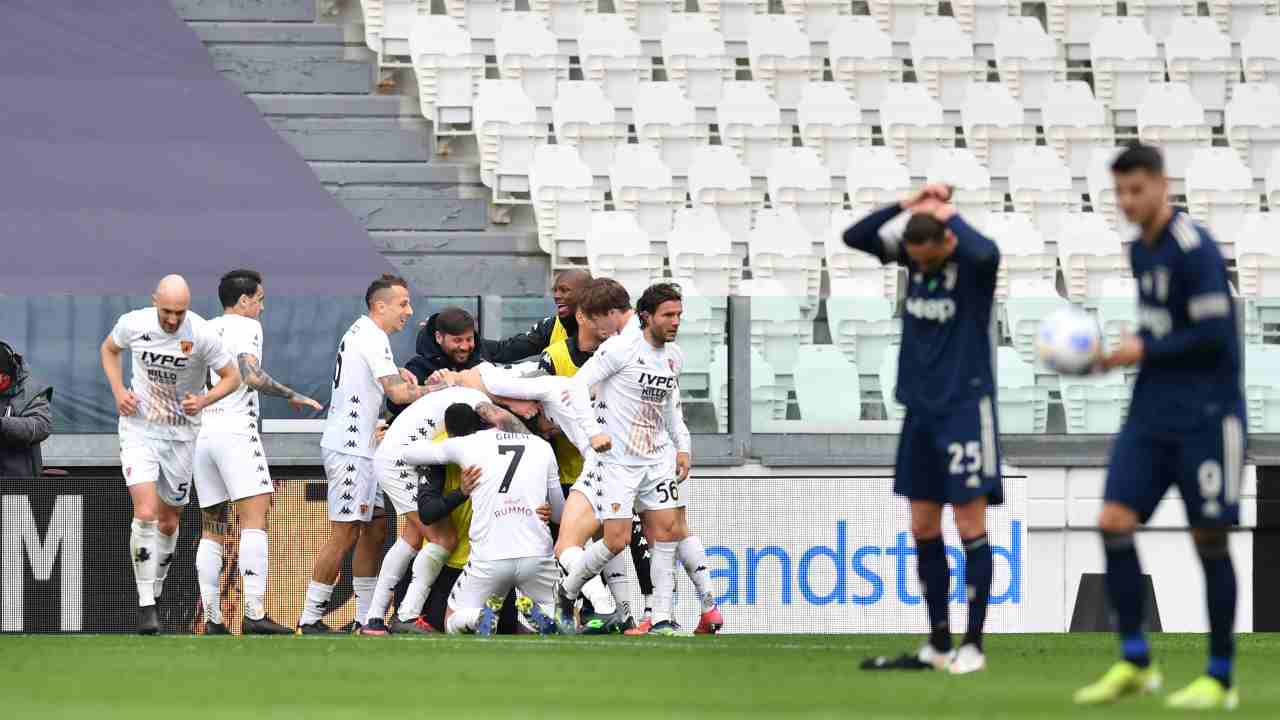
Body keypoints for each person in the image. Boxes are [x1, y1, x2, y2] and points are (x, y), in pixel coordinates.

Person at [1074, 144, 1245, 710]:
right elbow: (1162, 331)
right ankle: (1135, 662)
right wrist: (1113, 357)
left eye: (1136, 190)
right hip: (1150, 417)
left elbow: (1215, 338)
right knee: (1113, 521)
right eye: (1119, 192)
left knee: (1208, 540)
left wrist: (1138, 350)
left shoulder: (1194, 250)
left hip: (1205, 417)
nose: (1126, 201)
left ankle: (1219, 676)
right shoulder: (1138, 252)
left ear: (1161, 186)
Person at [844, 184, 1002, 675]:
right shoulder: (917, 261)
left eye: (927, 256)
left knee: (970, 525)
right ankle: (937, 643)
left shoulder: (973, 269)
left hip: (964, 411)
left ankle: (972, 645)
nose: (920, 265)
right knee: (923, 527)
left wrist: (947, 211)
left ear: (946, 243)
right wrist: (908, 202)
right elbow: (856, 235)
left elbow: (988, 249)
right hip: (921, 413)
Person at [555, 283, 722, 637]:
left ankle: (661, 618)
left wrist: (683, 448)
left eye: (678, 315)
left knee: (667, 534)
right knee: (616, 541)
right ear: (647, 317)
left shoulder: (674, 356)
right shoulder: (620, 349)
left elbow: (670, 408)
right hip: (618, 461)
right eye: (668, 315)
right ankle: (568, 590)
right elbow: (575, 387)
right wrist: (593, 434)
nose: (675, 322)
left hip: (657, 458)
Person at [100, 274, 241, 634]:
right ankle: (146, 604)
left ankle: (156, 591)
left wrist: (205, 399)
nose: (173, 320)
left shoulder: (202, 333)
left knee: (168, 522)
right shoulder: (134, 324)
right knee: (145, 512)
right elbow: (108, 350)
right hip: (139, 430)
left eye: (180, 312)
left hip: (181, 436)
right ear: (154, 302)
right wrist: (118, 391)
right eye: (167, 311)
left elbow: (232, 376)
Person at [297, 273, 430, 634]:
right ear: (380, 305)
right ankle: (310, 618)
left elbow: (388, 384)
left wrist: (402, 380)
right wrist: (441, 388)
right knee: (345, 532)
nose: (408, 310)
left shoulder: (366, 335)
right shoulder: (371, 336)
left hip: (366, 448)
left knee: (374, 528)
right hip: (351, 448)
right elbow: (398, 395)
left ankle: (364, 618)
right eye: (403, 303)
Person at [193, 269, 321, 636]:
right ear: (245, 300)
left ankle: (213, 619)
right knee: (254, 516)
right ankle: (254, 612)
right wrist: (291, 393)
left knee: (212, 528)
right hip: (235, 430)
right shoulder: (245, 327)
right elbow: (251, 375)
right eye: (260, 300)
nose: (262, 308)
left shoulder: (205, 328)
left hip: (204, 433)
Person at [403, 402, 564, 636]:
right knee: (561, 616)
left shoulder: (468, 444)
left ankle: (477, 617)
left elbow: (409, 453)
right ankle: (541, 618)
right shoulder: (542, 447)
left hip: (489, 559)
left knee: (451, 622)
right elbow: (560, 513)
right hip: (537, 554)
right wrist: (545, 508)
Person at [360, 384, 490, 636]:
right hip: (400, 461)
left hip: (394, 454)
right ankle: (407, 615)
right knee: (444, 538)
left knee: (411, 537)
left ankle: (374, 619)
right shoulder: (484, 407)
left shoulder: (470, 395)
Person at [0, 340, 52, 481]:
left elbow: (42, 426)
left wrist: (4, 424)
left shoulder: (31, 390)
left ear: (9, 374)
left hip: (19, 481)